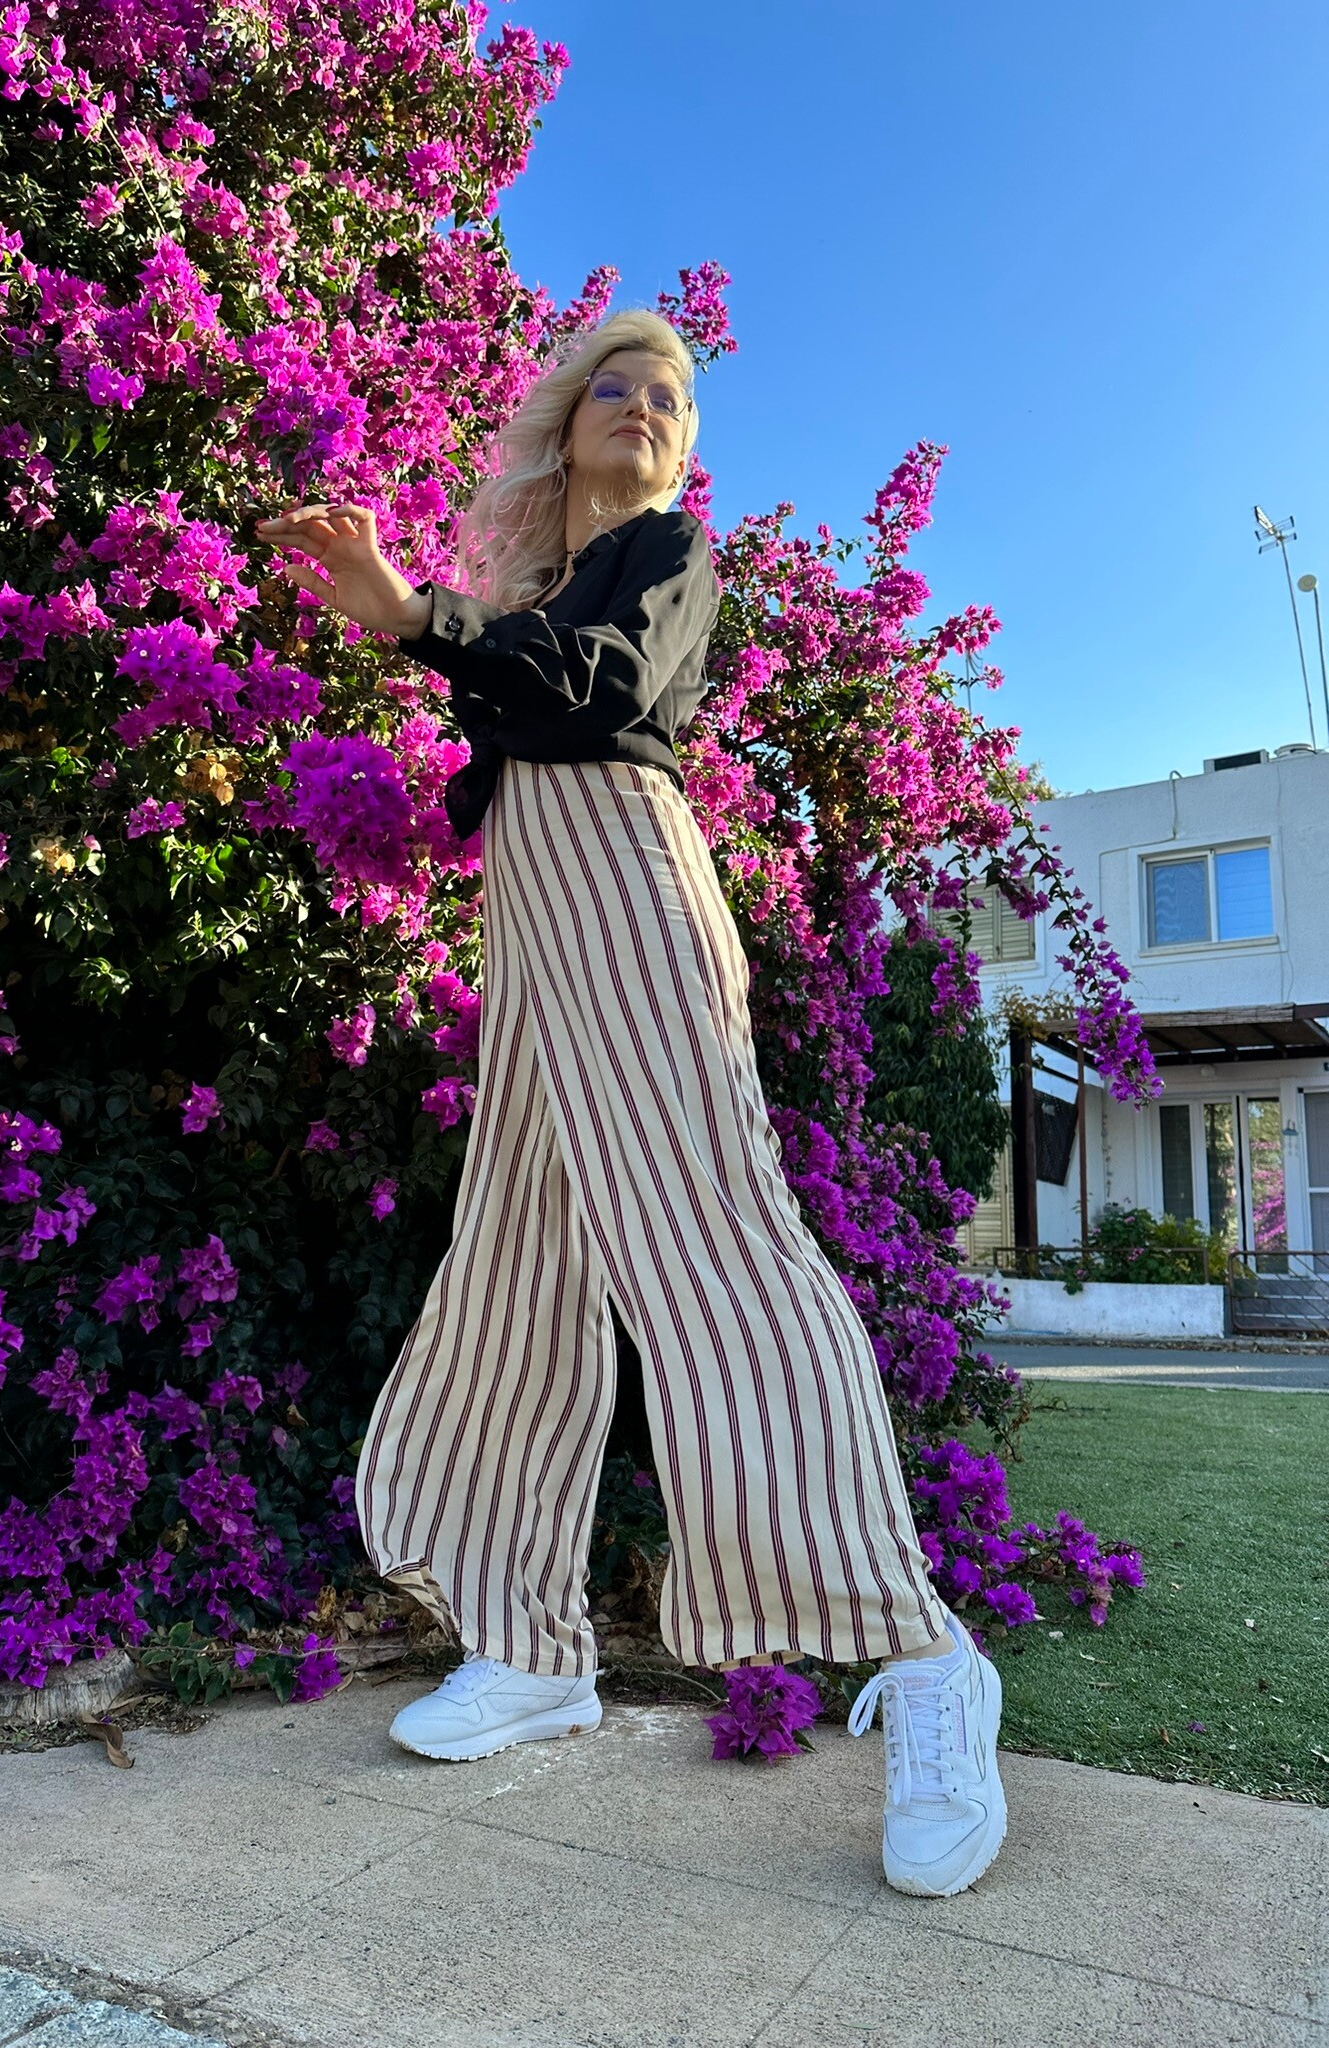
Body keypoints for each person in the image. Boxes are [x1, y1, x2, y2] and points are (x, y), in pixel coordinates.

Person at [254, 309, 1007, 1898]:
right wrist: (443, 634)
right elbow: (517, 719)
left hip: (632, 897)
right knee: (520, 1267)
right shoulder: (548, 587)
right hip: (539, 924)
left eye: (672, 396)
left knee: (719, 1247)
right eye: (619, 385)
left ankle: (927, 1651)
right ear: (568, 418)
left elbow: (598, 693)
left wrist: (418, 618)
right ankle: (533, 1650)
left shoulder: (667, 553)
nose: (647, 407)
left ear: (684, 448)